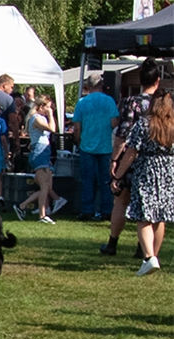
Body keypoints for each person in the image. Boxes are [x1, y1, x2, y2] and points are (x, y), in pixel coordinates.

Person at [103, 58, 164, 256]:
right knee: (155, 209)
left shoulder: (132, 103)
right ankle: (146, 249)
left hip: (132, 158)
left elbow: (122, 134)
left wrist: (115, 160)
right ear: (158, 80)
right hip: (158, 161)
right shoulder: (165, 105)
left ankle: (113, 242)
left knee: (121, 201)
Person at [111, 88, 174, 275]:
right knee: (159, 216)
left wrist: (118, 174)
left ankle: (148, 257)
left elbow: (131, 152)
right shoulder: (172, 125)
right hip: (169, 172)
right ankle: (154, 255)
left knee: (143, 215)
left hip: (147, 170)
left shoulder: (144, 124)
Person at [70, 73, 117, 221]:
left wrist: (78, 141)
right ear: (101, 85)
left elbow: (76, 127)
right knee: (105, 180)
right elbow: (114, 123)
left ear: (88, 86)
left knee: (87, 180)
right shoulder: (109, 101)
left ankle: (87, 210)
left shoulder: (82, 103)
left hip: (87, 145)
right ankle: (106, 210)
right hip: (106, 146)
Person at [15, 95, 66, 223]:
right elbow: (53, 129)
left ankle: (23, 206)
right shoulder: (36, 118)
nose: (50, 109)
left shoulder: (40, 118)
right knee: (44, 186)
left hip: (44, 151)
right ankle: (42, 215)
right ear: (41, 107)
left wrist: (49, 115)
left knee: (47, 186)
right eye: (47, 107)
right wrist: (50, 115)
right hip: (39, 152)